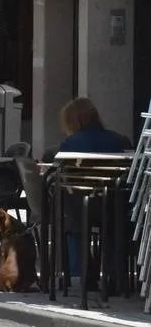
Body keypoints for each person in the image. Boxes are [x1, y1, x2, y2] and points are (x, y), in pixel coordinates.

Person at [51, 97, 126, 280]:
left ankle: (81, 269)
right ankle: (114, 274)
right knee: (112, 226)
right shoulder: (118, 140)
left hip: (81, 207)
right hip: (113, 205)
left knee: (67, 211)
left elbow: (61, 175)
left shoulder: (71, 144)